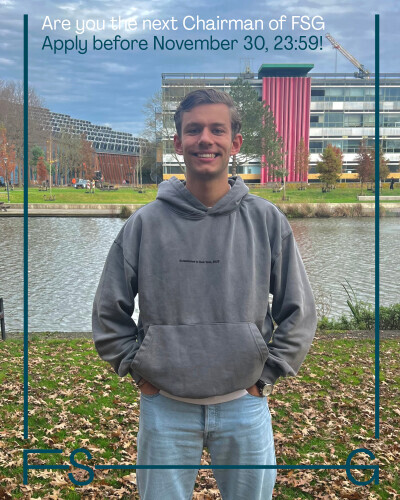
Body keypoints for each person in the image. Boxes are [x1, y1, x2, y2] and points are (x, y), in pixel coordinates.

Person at [92, 89, 317, 500]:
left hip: (244, 406)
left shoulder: (267, 221)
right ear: (178, 143)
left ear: (236, 142)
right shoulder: (144, 224)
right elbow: (109, 312)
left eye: (217, 129)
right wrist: (138, 371)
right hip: (165, 407)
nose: (205, 139)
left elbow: (299, 311)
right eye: (193, 130)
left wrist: (266, 376)